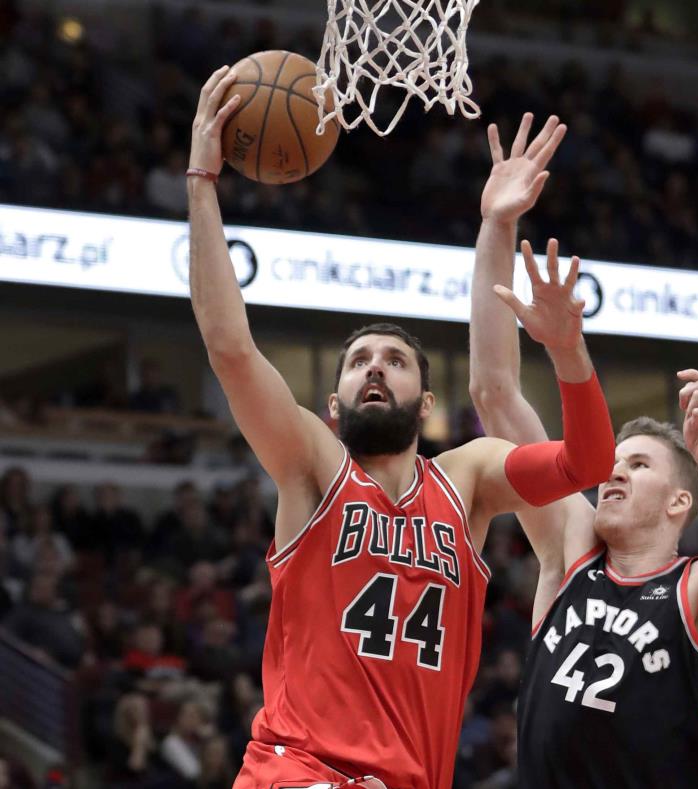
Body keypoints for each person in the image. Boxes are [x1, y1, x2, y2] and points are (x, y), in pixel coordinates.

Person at [188, 68, 616, 789]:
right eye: (358, 361)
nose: (375, 368)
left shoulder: (469, 476)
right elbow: (232, 349)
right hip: (299, 770)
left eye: (395, 360)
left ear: (426, 405)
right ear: (333, 404)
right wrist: (202, 180)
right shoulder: (313, 464)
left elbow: (587, 461)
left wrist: (567, 347)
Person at [469, 113, 698, 788]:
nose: (613, 470)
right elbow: (496, 393)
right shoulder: (572, 547)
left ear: (679, 500)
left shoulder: (696, 583)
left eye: (637, 463)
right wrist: (498, 228)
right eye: (616, 460)